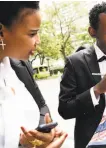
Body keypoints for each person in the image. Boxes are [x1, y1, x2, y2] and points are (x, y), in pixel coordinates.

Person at [58, 2, 106, 148]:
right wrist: (96, 90)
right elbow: (64, 109)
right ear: (93, 31)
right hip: (89, 143)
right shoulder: (75, 62)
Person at [0, 1, 67, 148]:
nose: (38, 41)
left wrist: (39, 138)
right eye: (32, 33)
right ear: (1, 32)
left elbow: (41, 106)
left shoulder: (18, 68)